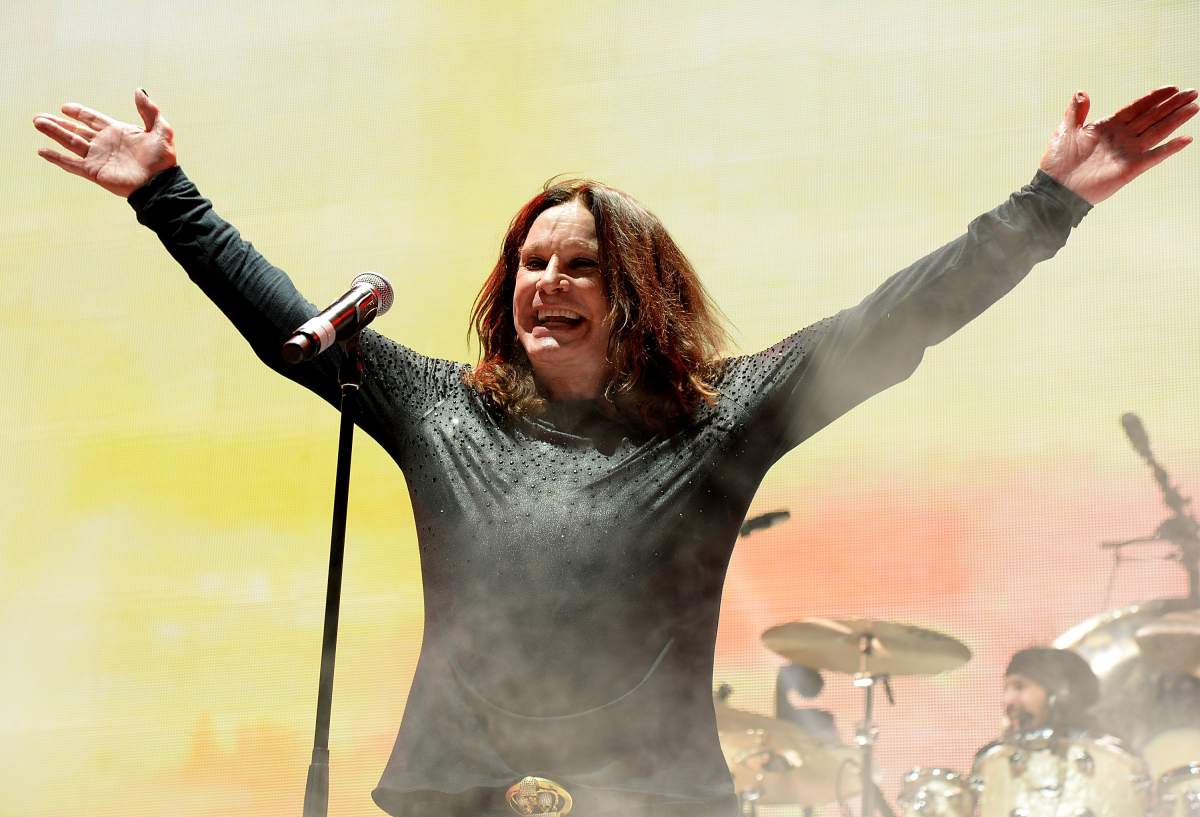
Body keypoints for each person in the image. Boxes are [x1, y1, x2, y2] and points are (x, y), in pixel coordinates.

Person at [32, 86, 1196, 816]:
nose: (547, 281)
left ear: (636, 293)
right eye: (531, 263)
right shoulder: (442, 409)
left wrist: (1050, 203)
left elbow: (896, 322)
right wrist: (165, 193)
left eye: (580, 264)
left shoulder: (720, 419)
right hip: (453, 790)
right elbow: (284, 323)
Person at [1001, 647, 1103, 736]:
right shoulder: (1002, 751)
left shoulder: (1100, 748)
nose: (1007, 700)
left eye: (1019, 687)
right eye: (1005, 689)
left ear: (1061, 694)